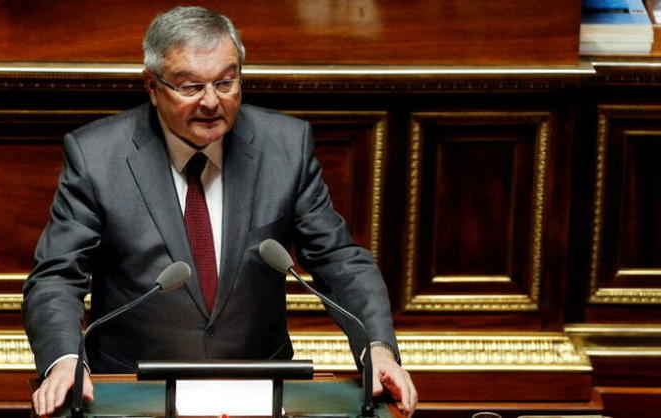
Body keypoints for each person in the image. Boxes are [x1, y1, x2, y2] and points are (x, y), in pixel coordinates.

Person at [24, 6, 417, 416]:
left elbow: (339, 259)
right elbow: (57, 276)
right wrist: (65, 358)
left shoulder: (285, 146)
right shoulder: (97, 156)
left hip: (262, 389)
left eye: (226, 82)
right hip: (134, 391)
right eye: (190, 87)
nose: (212, 102)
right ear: (152, 86)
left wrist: (378, 348)